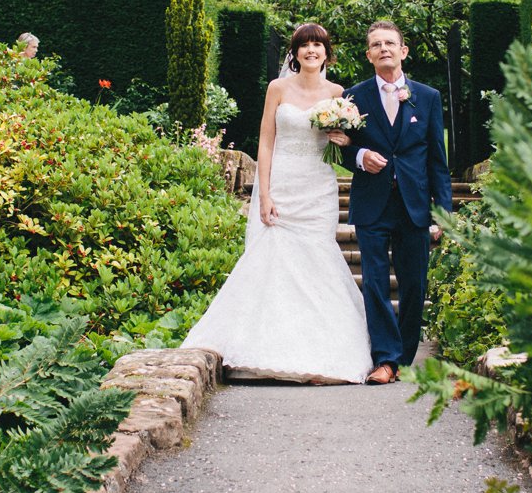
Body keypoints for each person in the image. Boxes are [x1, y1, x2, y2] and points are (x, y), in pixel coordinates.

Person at [181, 23, 372, 384]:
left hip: (318, 187)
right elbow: (266, 142)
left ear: (326, 53)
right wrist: (264, 193)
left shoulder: (338, 93)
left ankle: (321, 351)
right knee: (274, 259)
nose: (311, 51)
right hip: (283, 183)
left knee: (317, 258)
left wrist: (342, 140)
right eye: (304, 45)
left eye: (318, 45)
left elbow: (346, 142)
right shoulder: (278, 88)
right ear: (295, 53)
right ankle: (264, 346)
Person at [326, 21, 452, 385]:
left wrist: (443, 212)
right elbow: (341, 149)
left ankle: (403, 357)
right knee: (377, 283)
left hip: (415, 204)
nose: (383, 48)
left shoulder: (427, 97)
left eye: (389, 43)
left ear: (403, 51)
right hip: (372, 203)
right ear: (368, 55)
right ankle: (385, 359)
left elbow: (438, 160)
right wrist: (361, 154)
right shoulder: (354, 97)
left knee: (414, 285)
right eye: (376, 45)